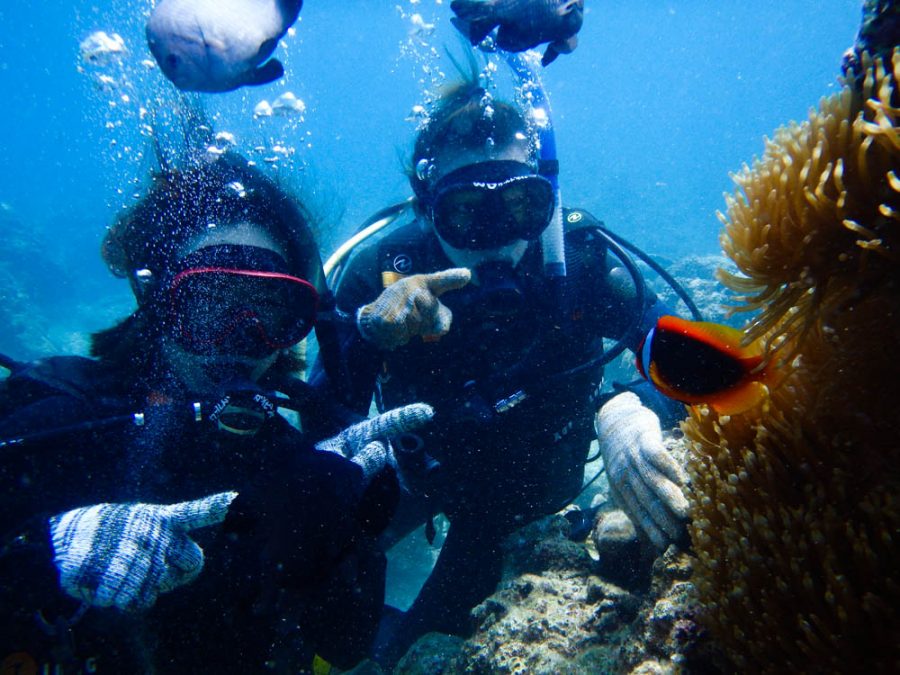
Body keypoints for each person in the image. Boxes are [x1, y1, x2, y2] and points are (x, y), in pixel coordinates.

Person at [0, 153, 431, 674]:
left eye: (270, 308)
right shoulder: (52, 420)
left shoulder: (294, 458)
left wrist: (344, 537)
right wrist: (39, 559)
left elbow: (345, 643)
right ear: (155, 297)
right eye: (208, 301)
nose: (244, 338)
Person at [320, 80, 691, 665]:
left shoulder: (576, 256)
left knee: (410, 650)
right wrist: (361, 334)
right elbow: (325, 425)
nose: (497, 238)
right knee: (306, 578)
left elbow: (691, 351)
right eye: (466, 212)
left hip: (532, 498)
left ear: (546, 201)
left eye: (521, 207)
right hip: (421, 475)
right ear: (426, 205)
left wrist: (635, 406)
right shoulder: (387, 272)